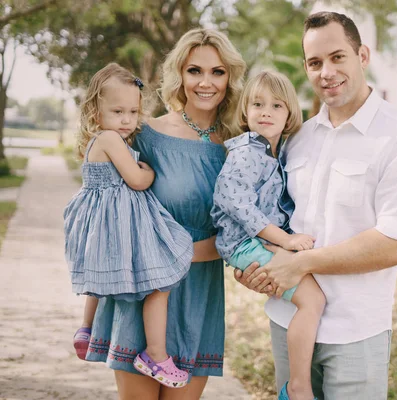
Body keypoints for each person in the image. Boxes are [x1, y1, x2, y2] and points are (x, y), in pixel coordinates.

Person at [235, 11, 397, 400]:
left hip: (355, 330)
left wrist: (303, 263)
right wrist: (255, 267)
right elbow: (270, 214)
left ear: (362, 55)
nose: (326, 71)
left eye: (337, 57)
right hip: (287, 319)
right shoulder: (297, 137)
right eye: (315, 62)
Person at [85, 28, 247, 399]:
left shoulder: (241, 145)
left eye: (217, 72)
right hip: (144, 293)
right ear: (179, 74)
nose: (206, 82)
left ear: (231, 77)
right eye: (195, 71)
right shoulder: (145, 134)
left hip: (199, 293)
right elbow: (104, 212)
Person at [64, 62, 193, 388]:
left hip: (103, 228)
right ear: (96, 112)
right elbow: (136, 180)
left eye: (133, 111)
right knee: (158, 282)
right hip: (119, 225)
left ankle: (86, 327)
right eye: (117, 110)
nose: (127, 119)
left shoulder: (101, 140)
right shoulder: (109, 139)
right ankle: (155, 355)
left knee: (100, 280)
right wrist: (149, 172)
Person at [211, 71, 325, 400]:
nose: (266, 112)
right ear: (245, 111)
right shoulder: (248, 153)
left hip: (257, 241)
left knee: (311, 296)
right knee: (313, 300)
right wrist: (286, 240)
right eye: (257, 104)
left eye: (277, 105)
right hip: (244, 243)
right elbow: (237, 203)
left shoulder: (273, 152)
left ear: (289, 113)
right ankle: (298, 386)